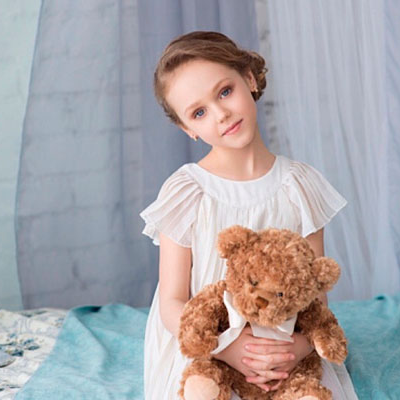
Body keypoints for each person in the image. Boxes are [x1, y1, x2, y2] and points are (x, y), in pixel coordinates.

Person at [140, 31, 357, 400]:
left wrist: (296, 349)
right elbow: (172, 303)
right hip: (208, 346)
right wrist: (229, 348)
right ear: (188, 129)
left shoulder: (299, 186)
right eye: (199, 112)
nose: (221, 114)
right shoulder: (187, 191)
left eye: (225, 92)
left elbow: (315, 296)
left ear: (250, 79)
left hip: (284, 342)